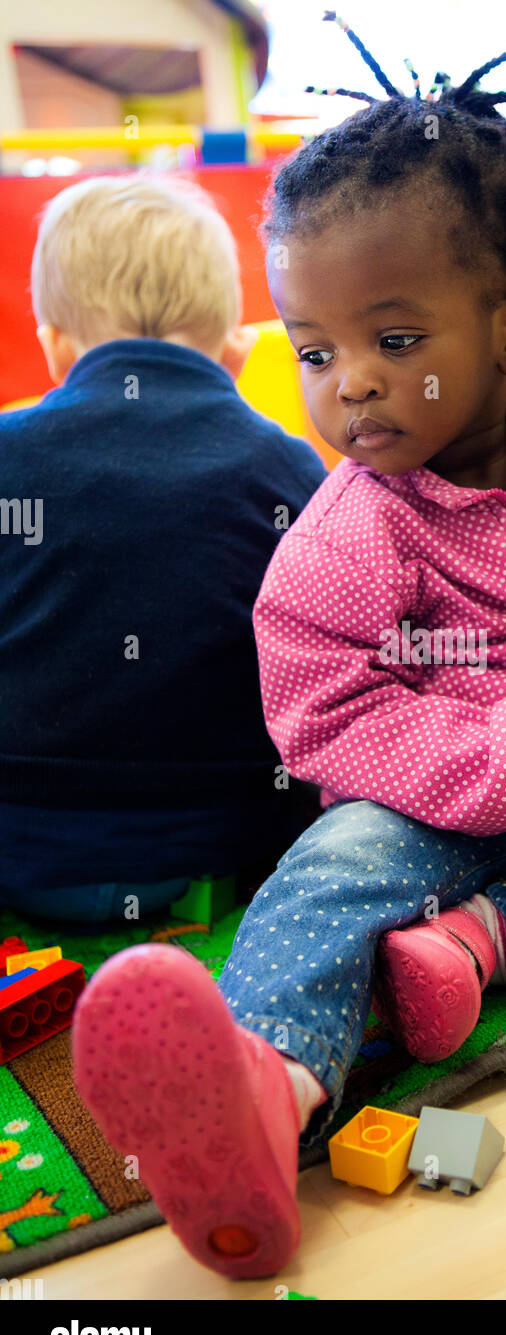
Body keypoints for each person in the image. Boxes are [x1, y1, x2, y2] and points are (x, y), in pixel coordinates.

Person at [72, 18, 506, 1279]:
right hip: (423, 820)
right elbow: (326, 728)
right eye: (313, 350)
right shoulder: (341, 537)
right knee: (327, 862)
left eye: (393, 341)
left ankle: (475, 947)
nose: (347, 383)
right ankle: (268, 1088)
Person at [0, 175, 325, 924]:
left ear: (55, 348)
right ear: (236, 350)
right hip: (235, 846)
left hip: (23, 849)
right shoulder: (286, 466)